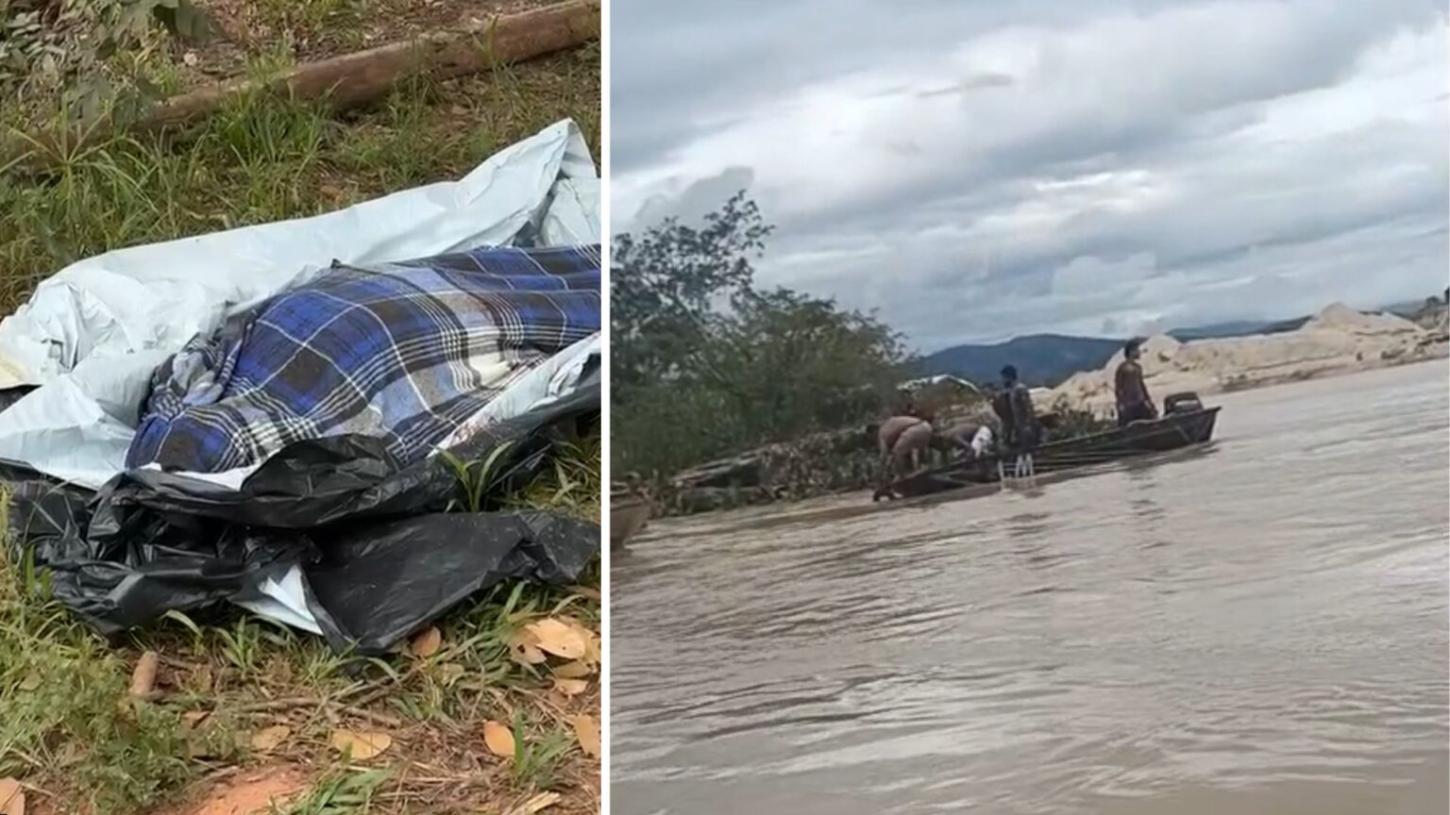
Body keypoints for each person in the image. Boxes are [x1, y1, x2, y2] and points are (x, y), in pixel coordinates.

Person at [872, 412, 933, 501]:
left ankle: (904, 479)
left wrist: (879, 478)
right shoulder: (891, 426)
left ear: (873, 432)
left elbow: (883, 457)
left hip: (915, 429)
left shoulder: (882, 432)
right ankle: (919, 471)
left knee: (898, 453)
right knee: (907, 453)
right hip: (926, 427)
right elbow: (890, 458)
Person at [999, 365, 1040, 479]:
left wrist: (1029, 425)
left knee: (1025, 452)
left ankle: (1028, 474)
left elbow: (1028, 407)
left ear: (1009, 377)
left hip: (1024, 426)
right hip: (1017, 427)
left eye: (1003, 377)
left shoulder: (1020, 389)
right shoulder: (1010, 391)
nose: (1002, 380)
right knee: (1019, 452)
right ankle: (1021, 473)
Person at [1114, 338, 1158, 426]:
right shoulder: (1123, 368)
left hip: (1139, 402)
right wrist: (1120, 403)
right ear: (1131, 351)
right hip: (1129, 404)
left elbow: (1141, 385)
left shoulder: (1137, 367)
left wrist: (1148, 400)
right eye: (1137, 350)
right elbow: (1118, 387)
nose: (1139, 352)